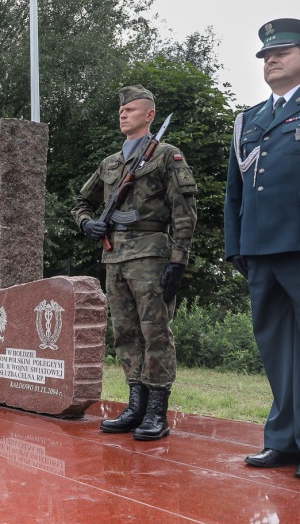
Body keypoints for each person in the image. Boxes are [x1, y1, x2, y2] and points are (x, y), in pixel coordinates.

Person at [72, 85, 198, 441]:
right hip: (115, 257)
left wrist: (178, 260)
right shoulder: (110, 163)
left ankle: (157, 410)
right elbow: (81, 202)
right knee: (125, 333)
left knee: (155, 332)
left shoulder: (166, 156)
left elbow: (184, 213)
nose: (123, 114)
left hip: (151, 256)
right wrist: (88, 223)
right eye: (121, 110)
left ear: (150, 115)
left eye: (131, 109)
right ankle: (135, 403)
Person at [224, 18, 300, 477]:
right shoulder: (248, 120)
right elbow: (236, 190)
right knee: (275, 346)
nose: (271, 59)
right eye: (266, 56)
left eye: (283, 51)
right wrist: (237, 247)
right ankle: (283, 440)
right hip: (260, 251)